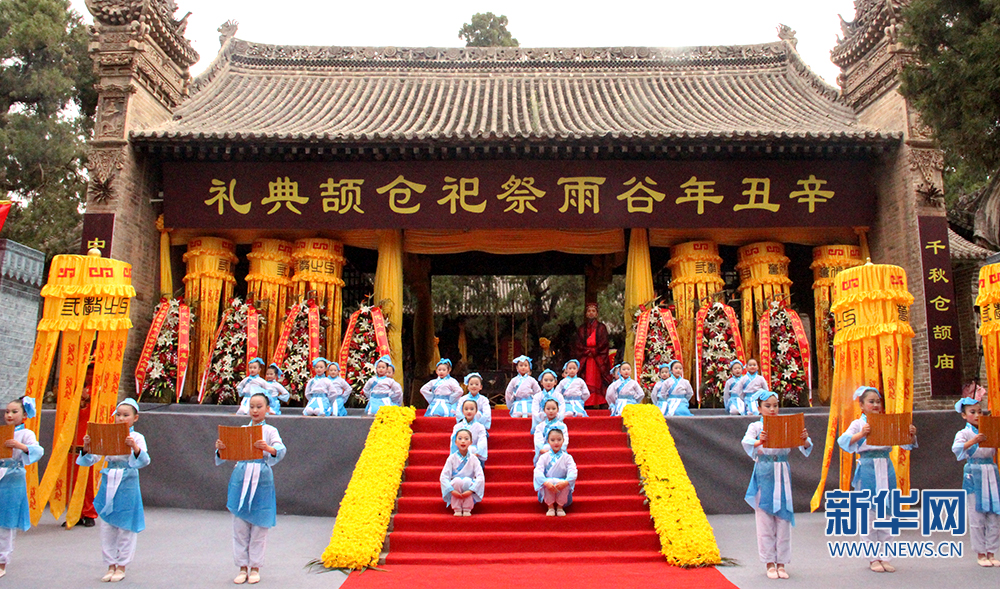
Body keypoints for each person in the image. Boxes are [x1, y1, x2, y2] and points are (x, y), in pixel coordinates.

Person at [838, 386, 917, 574]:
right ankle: (872, 557)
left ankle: (886, 556)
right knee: (869, 515)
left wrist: (911, 434)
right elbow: (843, 441)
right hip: (867, 467)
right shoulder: (858, 424)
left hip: (886, 465)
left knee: (888, 513)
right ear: (862, 405)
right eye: (871, 401)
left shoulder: (886, 422)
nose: (875, 405)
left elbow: (906, 443)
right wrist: (862, 434)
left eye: (878, 401)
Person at [76, 399, 150, 583]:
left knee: (125, 525)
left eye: (126, 415)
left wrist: (134, 447)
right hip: (109, 479)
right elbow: (91, 458)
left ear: (135, 418)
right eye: (118, 415)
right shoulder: (107, 434)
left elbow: (144, 460)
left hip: (127, 481)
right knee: (107, 524)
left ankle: (122, 565)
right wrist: (87, 447)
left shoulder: (138, 437)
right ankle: (110, 564)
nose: (121, 418)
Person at [215, 392, 286, 585]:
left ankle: (255, 566)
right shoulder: (243, 429)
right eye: (252, 406)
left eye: (259, 406)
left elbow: (280, 450)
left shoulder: (271, 431)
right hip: (241, 475)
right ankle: (241, 567)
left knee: (259, 527)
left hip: (261, 477)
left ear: (267, 409)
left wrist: (268, 449)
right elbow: (227, 454)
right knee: (239, 526)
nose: (255, 410)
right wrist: (221, 447)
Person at [742, 390, 812, 580]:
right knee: (764, 520)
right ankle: (769, 562)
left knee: (783, 519)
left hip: (782, 473)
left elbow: (805, 445)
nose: (772, 409)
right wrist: (759, 441)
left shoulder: (786, 424)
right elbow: (747, 442)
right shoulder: (756, 426)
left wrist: (804, 438)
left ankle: (782, 562)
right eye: (767, 406)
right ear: (759, 408)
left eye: (775, 405)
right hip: (764, 472)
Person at [952, 397, 1000, 567]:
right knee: (977, 515)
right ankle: (980, 553)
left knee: (994, 514)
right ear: (964, 415)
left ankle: (991, 551)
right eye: (972, 412)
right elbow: (957, 448)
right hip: (974, 472)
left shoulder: (989, 429)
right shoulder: (964, 433)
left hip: (991, 470)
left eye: (980, 411)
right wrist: (974, 441)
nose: (977, 415)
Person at [0, 397, 44, 579]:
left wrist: (20, 446)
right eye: (7, 412)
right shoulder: (3, 432)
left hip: (13, 478)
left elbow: (37, 450)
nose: (9, 415)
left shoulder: (26, 434)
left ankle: (2, 561)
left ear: (25, 415)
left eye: (14, 412)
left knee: (6, 521)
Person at [66, 367, 97, 528]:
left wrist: (89, 398)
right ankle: (74, 512)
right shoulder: (77, 390)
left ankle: (89, 512)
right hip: (74, 440)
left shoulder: (100, 392)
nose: (89, 376)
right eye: (88, 373)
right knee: (73, 479)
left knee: (89, 480)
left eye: (92, 372)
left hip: (89, 441)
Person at [439, 428, 485, 517]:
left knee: (467, 481)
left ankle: (467, 508)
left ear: (471, 442)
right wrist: (451, 490)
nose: (463, 441)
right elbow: (444, 476)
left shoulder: (474, 459)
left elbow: (480, 477)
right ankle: (457, 508)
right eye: (460, 439)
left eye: (466, 439)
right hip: (455, 486)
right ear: (455, 442)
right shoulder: (451, 458)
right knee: (457, 481)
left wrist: (471, 490)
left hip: (469, 485)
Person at [573, 302, 612, 407]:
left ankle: (601, 402)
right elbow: (578, 344)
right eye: (589, 311)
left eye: (593, 311)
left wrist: (594, 351)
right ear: (586, 314)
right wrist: (586, 351)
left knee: (599, 380)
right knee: (586, 380)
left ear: (597, 314)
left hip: (598, 358)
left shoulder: (601, 328)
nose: (591, 313)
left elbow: (604, 343)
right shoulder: (582, 329)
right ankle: (587, 403)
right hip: (585, 359)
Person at [533, 429, 577, 516]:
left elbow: (573, 470)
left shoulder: (567, 457)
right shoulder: (544, 457)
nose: (556, 442)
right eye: (552, 440)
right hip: (548, 483)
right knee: (549, 481)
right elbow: (538, 471)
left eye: (559, 439)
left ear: (563, 440)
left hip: (562, 483)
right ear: (548, 441)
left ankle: (560, 506)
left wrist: (566, 482)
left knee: (565, 482)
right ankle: (550, 506)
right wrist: (546, 483)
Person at [533, 399, 569, 464]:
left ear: (558, 410)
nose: (551, 411)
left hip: (559, 449)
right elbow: (538, 439)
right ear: (544, 410)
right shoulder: (540, 426)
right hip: (544, 450)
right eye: (548, 409)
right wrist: (542, 449)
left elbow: (565, 439)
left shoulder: (562, 426)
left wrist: (559, 448)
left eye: (554, 408)